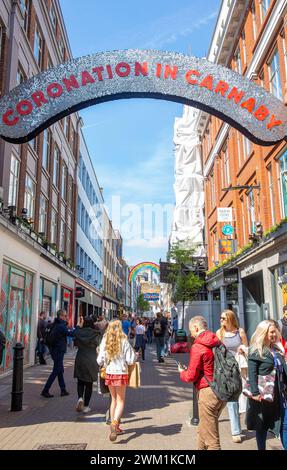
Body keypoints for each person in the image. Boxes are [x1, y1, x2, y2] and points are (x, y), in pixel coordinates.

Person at [178, 316, 226, 450]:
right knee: (203, 429)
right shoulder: (217, 341)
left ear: (196, 328)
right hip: (221, 389)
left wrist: (182, 372)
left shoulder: (198, 346)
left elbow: (191, 376)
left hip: (208, 392)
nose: (191, 334)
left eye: (191, 331)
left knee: (212, 440)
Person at [246, 320, 287, 450]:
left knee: (285, 424)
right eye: (272, 332)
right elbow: (252, 374)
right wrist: (255, 393)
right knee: (262, 426)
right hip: (263, 396)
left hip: (280, 395)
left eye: (275, 331)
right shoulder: (256, 351)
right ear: (263, 333)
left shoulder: (277, 349)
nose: (274, 334)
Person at [97, 319, 136, 442]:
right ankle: (115, 424)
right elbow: (130, 360)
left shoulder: (105, 340)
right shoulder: (124, 341)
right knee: (121, 401)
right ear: (120, 328)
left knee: (113, 400)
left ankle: (114, 425)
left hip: (109, 373)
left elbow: (99, 361)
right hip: (121, 373)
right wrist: (136, 356)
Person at [216, 309, 248, 443]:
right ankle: (236, 431)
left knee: (243, 396)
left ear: (230, 319)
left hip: (240, 369)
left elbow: (247, 346)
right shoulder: (219, 333)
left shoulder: (239, 332)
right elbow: (216, 351)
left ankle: (245, 421)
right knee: (231, 399)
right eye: (221, 318)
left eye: (224, 318)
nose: (221, 320)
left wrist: (242, 348)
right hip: (226, 369)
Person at [41, 309, 71, 398]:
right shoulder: (61, 326)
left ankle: (63, 389)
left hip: (54, 350)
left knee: (60, 370)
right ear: (61, 316)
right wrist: (78, 327)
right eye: (65, 316)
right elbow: (71, 334)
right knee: (56, 370)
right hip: (58, 350)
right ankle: (45, 390)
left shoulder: (55, 324)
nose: (66, 317)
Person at [74, 316, 101, 413]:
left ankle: (80, 397)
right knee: (89, 383)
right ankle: (86, 406)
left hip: (80, 357)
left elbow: (74, 334)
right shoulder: (95, 334)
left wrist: (78, 326)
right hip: (91, 359)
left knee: (80, 381)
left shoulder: (78, 332)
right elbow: (100, 344)